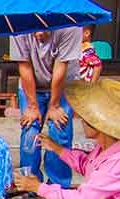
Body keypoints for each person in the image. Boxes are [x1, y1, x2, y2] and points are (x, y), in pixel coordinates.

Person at [14, 79, 120, 199]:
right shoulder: (103, 148)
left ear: (98, 126)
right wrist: (57, 148)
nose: (82, 121)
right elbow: (86, 165)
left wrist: (39, 188)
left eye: (86, 119)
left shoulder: (116, 162)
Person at [10, 27, 82, 189]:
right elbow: (24, 66)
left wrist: (55, 106)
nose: (39, 35)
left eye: (44, 30)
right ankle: (30, 183)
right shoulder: (18, 25)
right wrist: (32, 106)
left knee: (59, 131)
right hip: (31, 85)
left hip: (63, 84)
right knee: (30, 131)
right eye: (34, 30)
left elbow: (60, 68)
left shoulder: (70, 27)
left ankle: (58, 186)